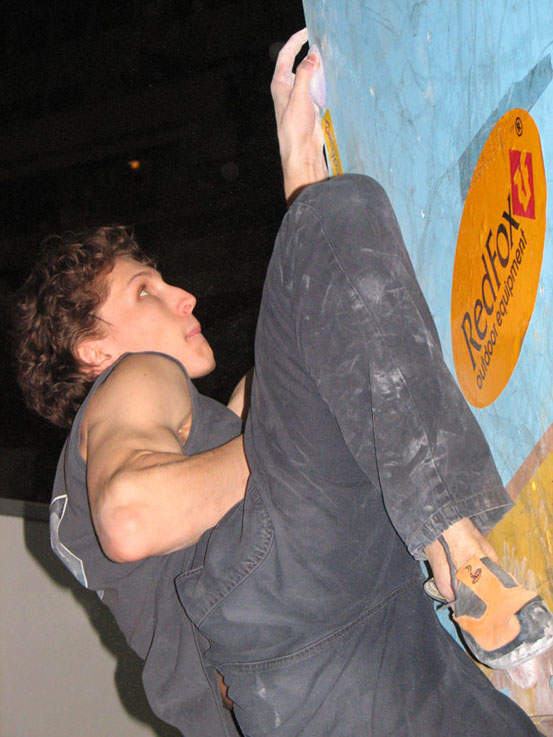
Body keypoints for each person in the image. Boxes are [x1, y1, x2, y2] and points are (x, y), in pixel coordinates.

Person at [12, 29, 551, 737]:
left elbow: (318, 353)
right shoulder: (134, 377)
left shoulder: (144, 454)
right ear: (94, 349)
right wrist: (307, 204)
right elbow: (133, 517)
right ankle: (457, 549)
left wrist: (298, 166)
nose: (183, 296)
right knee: (329, 218)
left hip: (301, 688)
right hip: (285, 610)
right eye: (146, 290)